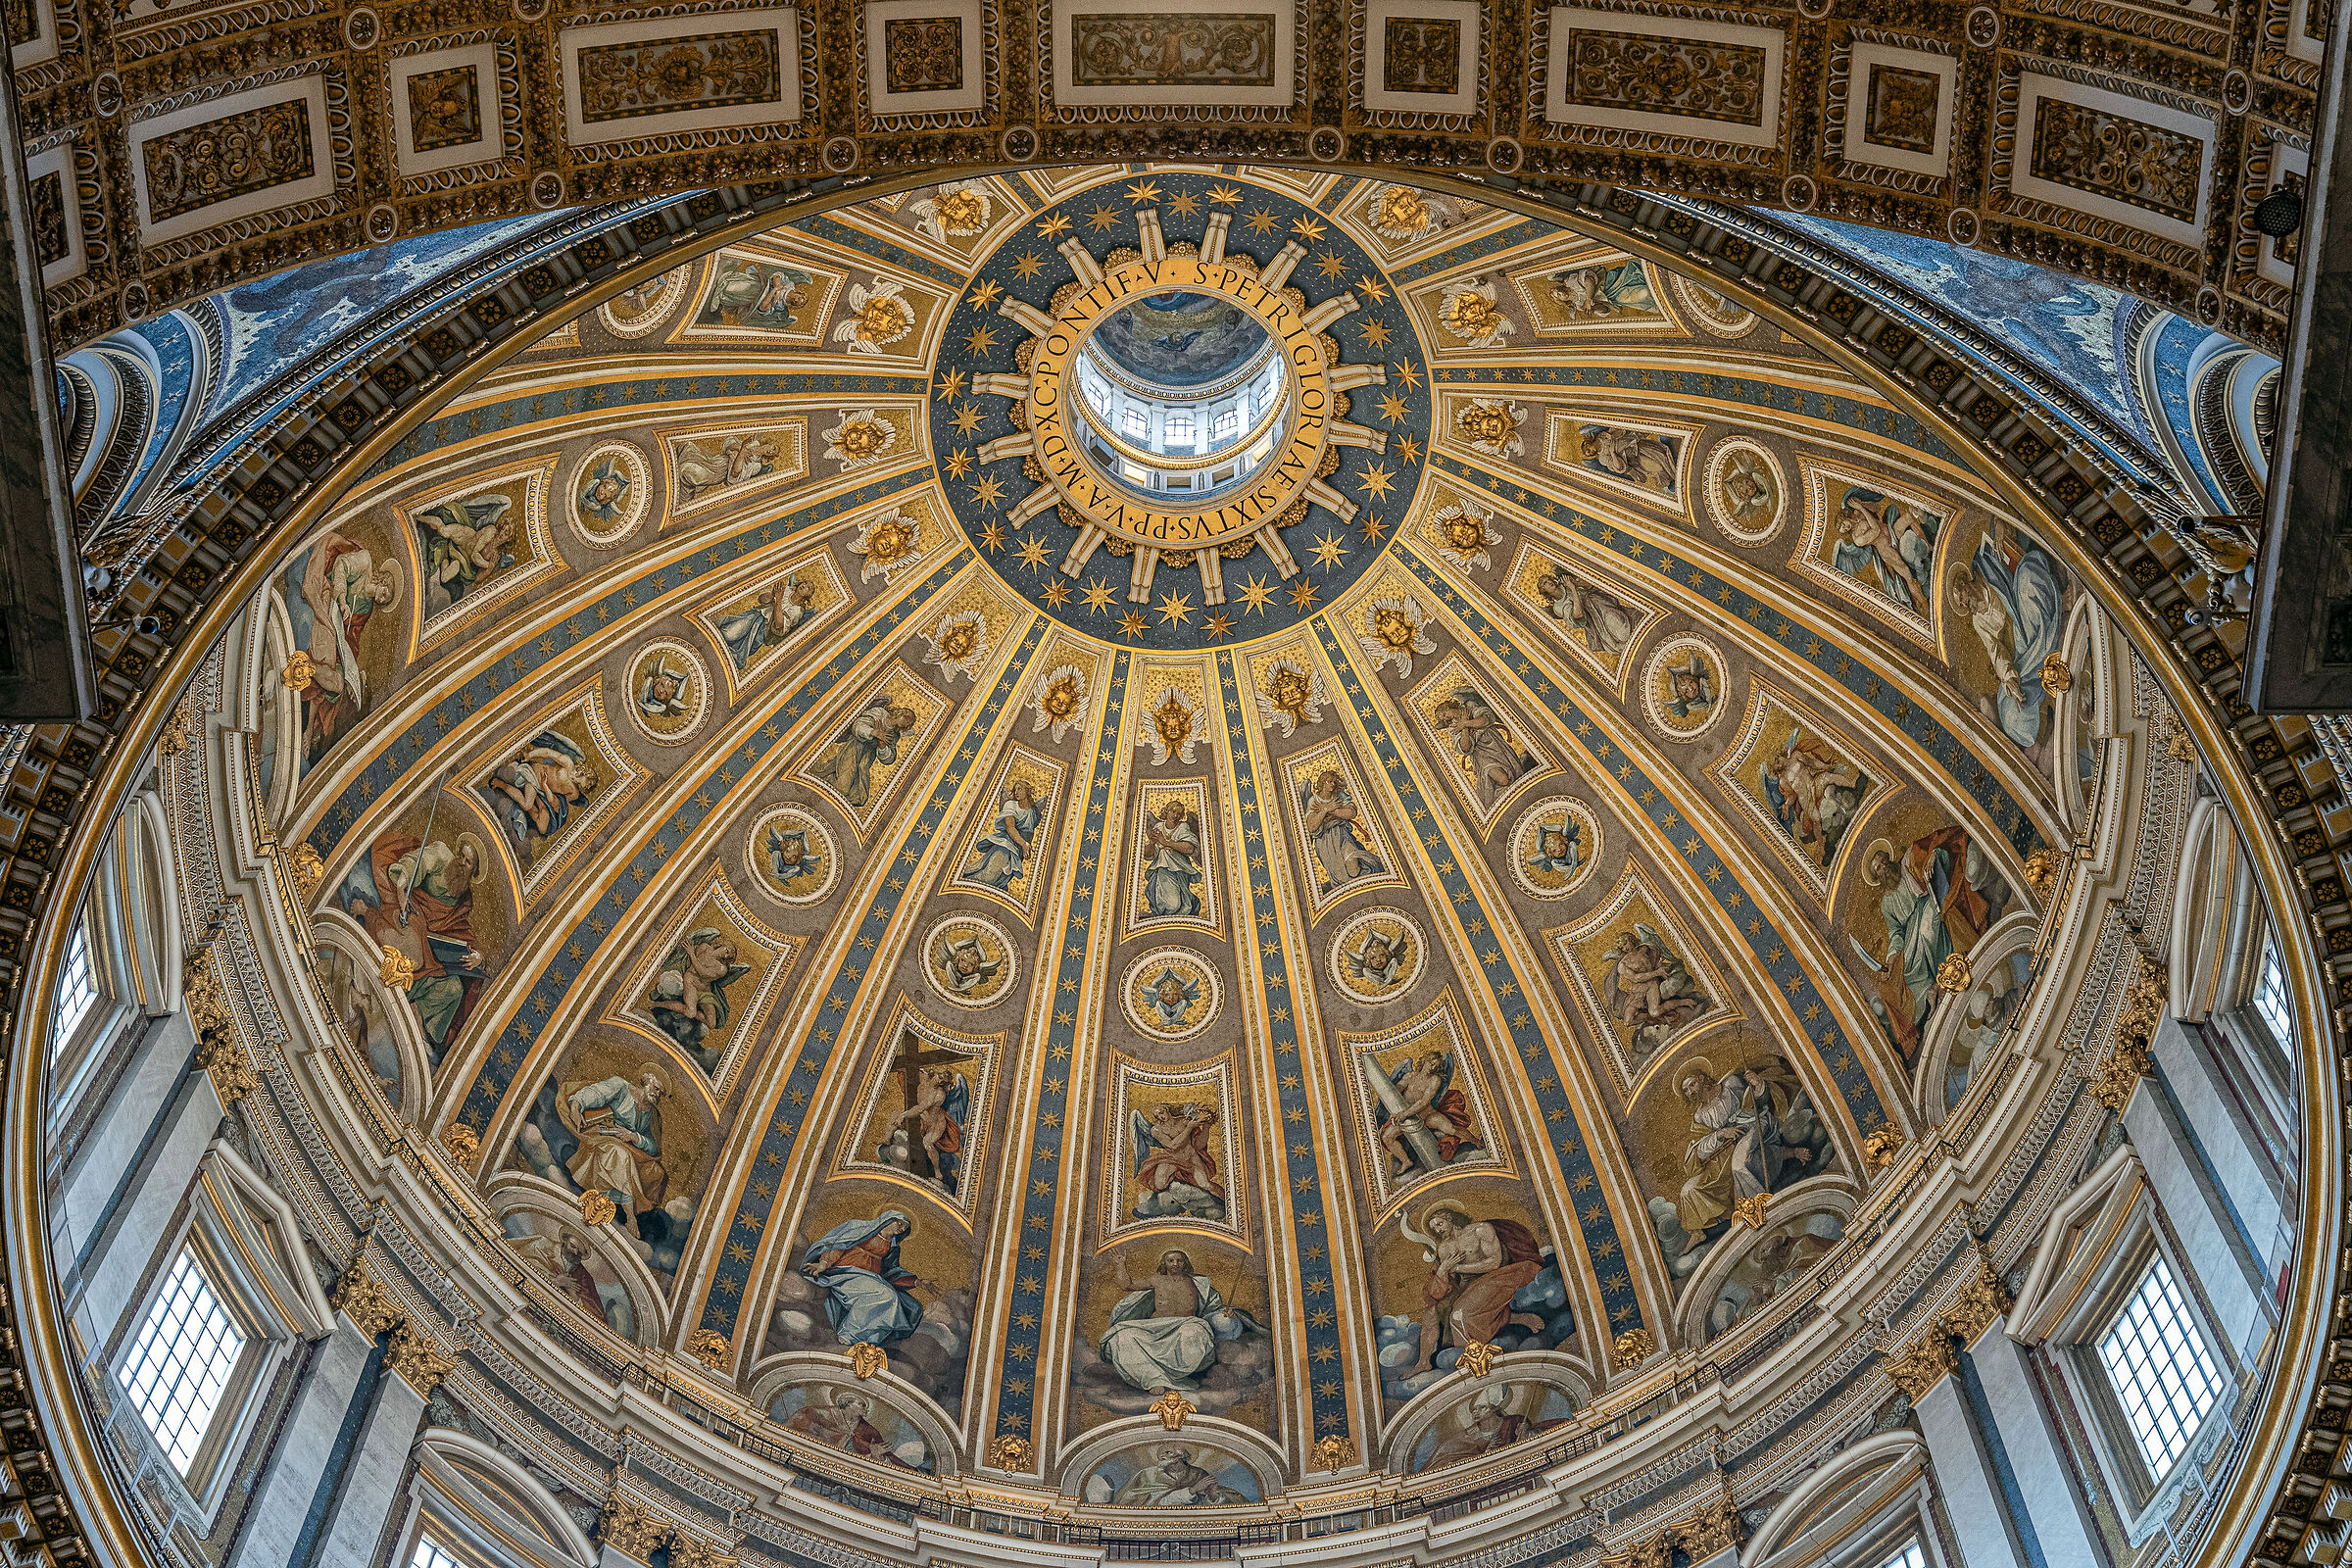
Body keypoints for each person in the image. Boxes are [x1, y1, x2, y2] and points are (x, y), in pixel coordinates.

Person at [291, 530, 401, 763]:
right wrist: (342, 601)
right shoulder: (366, 561)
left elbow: (353, 638)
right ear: (383, 581)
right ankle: (304, 673)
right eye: (385, 592)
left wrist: (351, 672)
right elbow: (341, 564)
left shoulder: (367, 609)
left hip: (336, 630)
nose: (382, 598)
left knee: (338, 684)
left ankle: (308, 678)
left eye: (385, 600)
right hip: (329, 594)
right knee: (327, 651)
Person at [1415, 1202, 1546, 1370]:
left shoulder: (1480, 1230)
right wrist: (1442, 1270)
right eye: (1434, 1229)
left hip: (1494, 1277)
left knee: (1458, 1316)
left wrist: (1458, 1268)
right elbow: (1450, 1281)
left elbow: (1494, 1262)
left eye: (1440, 1224)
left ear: (1449, 1218)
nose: (1438, 1230)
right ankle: (1424, 1362)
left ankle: (1474, 1360)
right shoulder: (1444, 1248)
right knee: (1432, 1313)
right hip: (1467, 1286)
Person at [563, 1068, 670, 1239]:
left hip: (630, 1146)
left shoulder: (653, 1115)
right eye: (656, 1088)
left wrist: (635, 1137)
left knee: (656, 1173)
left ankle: (617, 1204)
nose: (657, 1095)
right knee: (621, 1156)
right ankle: (630, 1217)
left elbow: (654, 1148)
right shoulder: (621, 1087)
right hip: (605, 1135)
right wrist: (576, 1107)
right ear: (647, 1080)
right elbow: (595, 1093)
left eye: (661, 1093)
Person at [1100, 1250, 1227, 1393]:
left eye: (1179, 1260)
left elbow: (1214, 1307)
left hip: (1186, 1323)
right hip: (1155, 1327)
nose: (1175, 1264)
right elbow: (1127, 1285)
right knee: (1122, 1337)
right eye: (1170, 1260)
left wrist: (1226, 1314)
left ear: (1185, 1263)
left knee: (1193, 1333)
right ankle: (1154, 1378)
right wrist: (1120, 1264)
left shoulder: (1198, 1283)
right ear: (1164, 1263)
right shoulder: (1157, 1280)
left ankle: (1176, 1377)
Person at [801, 1211, 924, 1347]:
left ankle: (868, 1340)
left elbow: (891, 1272)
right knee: (885, 1294)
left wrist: (916, 1282)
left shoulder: (893, 1246)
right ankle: (849, 1334)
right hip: (847, 1273)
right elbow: (838, 1244)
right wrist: (824, 1263)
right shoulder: (863, 1229)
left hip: (872, 1279)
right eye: (900, 1224)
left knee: (910, 1306)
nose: (902, 1229)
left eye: (905, 1228)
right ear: (889, 1219)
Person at [646, 930, 750, 1068]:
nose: (725, 954)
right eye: (726, 950)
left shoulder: (722, 968)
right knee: (690, 1012)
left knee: (711, 1023)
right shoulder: (704, 947)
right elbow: (690, 965)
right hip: (691, 983)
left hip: (705, 991)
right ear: (722, 944)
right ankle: (657, 1004)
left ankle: (690, 1011)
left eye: (728, 955)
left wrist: (691, 953)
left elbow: (703, 972)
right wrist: (690, 958)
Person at [1378, 1051, 1481, 1175]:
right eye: (1431, 1064)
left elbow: (1423, 1102)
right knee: (1387, 1137)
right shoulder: (1409, 1076)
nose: (1432, 1068)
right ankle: (1406, 1161)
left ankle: (1475, 1141)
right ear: (1424, 1061)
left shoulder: (1435, 1080)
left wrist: (1404, 1114)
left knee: (1450, 1128)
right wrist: (1394, 1111)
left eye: (1436, 1067)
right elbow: (1394, 1093)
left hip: (1427, 1115)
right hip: (1409, 1118)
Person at [1832, 488, 1934, 612]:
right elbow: (1876, 530)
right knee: (1908, 577)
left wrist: (1862, 504)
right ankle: (1924, 604)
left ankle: (1928, 545)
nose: (1846, 528)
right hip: (1886, 549)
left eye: (1843, 525)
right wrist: (1862, 508)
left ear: (1845, 517)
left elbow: (1877, 508)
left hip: (1892, 531)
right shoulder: (1857, 538)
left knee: (1909, 517)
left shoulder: (1858, 513)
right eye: (1844, 530)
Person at [1430, 691, 1536, 808]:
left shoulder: (1469, 706)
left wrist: (1466, 723)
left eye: (1444, 713)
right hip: (1480, 755)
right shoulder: (1453, 728)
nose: (1446, 718)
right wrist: (1465, 728)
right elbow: (1465, 747)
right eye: (1443, 719)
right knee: (1503, 779)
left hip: (1494, 743)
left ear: (1448, 707)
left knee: (1514, 771)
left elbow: (1486, 720)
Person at [823, 700, 918, 809]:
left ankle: (831, 780)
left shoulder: (894, 734)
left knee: (859, 797)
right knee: (843, 786)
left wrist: (882, 746)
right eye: (906, 721)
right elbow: (857, 725)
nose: (905, 725)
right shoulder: (879, 714)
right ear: (899, 714)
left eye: (907, 725)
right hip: (855, 748)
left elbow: (890, 758)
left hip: (867, 758)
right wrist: (874, 732)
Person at [1299, 770, 1385, 886]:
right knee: (1340, 877)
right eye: (1329, 781)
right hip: (1325, 841)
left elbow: (1352, 813)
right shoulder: (1314, 801)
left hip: (1342, 835)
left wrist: (1333, 811)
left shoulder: (1340, 796)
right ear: (1322, 783)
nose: (1333, 784)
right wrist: (1326, 809)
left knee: (1354, 869)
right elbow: (1311, 827)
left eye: (1334, 782)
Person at [1133, 1104, 1225, 1204]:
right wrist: (1189, 1128)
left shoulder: (1184, 1121)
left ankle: (1228, 1202)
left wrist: (1206, 1127)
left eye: (1161, 1113)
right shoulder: (1156, 1130)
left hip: (1191, 1157)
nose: (1161, 1117)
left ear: (1167, 1109)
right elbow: (1173, 1145)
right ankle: (1176, 1180)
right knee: (1160, 1185)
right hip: (1172, 1159)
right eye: (1157, 1116)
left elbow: (1199, 1145)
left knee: (1206, 1185)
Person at [962, 780, 1042, 891]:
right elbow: (1010, 827)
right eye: (1015, 789)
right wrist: (1024, 844)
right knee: (989, 875)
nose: (1016, 792)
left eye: (1020, 789)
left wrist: (1027, 849)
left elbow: (1030, 832)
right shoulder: (1011, 805)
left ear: (1027, 791)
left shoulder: (1033, 811)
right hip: (1006, 843)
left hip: (1019, 850)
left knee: (1001, 879)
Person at [1537, 568, 1635, 657]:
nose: (1549, 582)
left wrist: (1576, 583)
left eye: (1548, 579)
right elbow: (1578, 614)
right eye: (1545, 583)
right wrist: (1573, 588)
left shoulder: (1565, 583)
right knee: (1617, 637)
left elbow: (1589, 585)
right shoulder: (1558, 607)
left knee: (1617, 623)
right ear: (1544, 590)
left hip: (1600, 603)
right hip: (1593, 619)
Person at [1112, 1446, 1247, 1505]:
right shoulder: (1149, 1474)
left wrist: (1213, 1496)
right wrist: (1192, 1490)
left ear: (1181, 1458)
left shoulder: (1198, 1474)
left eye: (1169, 1455)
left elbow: (1203, 1505)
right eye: (1162, 1457)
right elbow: (1147, 1502)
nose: (1163, 1458)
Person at [1140, 799, 1203, 916]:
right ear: (1166, 811)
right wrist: (1152, 844)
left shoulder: (1183, 826)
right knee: (1172, 904)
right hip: (1161, 868)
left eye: (1179, 814)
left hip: (1179, 868)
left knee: (1181, 903)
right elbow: (1148, 854)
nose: (1175, 816)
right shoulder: (1159, 826)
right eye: (1173, 811)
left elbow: (1190, 848)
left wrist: (1166, 842)